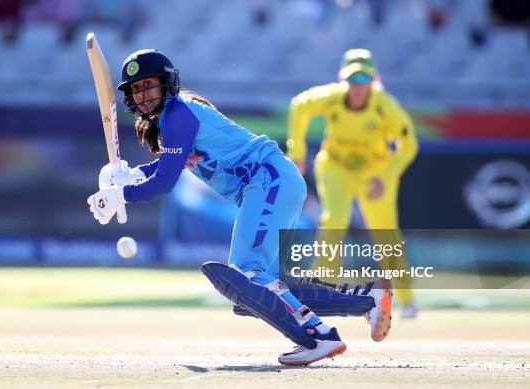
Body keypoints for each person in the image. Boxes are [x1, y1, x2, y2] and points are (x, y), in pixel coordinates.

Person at [87, 49, 393, 366]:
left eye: (148, 84)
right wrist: (131, 176)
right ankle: (367, 300)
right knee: (258, 292)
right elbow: (168, 166)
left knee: (247, 274)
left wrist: (122, 195)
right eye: (136, 88)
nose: (142, 94)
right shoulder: (174, 120)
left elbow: (165, 181)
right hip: (274, 184)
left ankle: (319, 336)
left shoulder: (179, 115)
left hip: (268, 180)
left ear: (167, 83)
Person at [286, 48, 419, 319]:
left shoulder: (385, 106)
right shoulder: (333, 97)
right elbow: (299, 105)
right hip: (336, 166)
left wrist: (385, 175)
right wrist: (297, 152)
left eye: (364, 80)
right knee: (333, 221)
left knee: (385, 233)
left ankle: (406, 299)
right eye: (353, 80)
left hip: (376, 173)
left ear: (374, 80)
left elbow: (409, 144)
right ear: (343, 79)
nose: (358, 87)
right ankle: (324, 290)